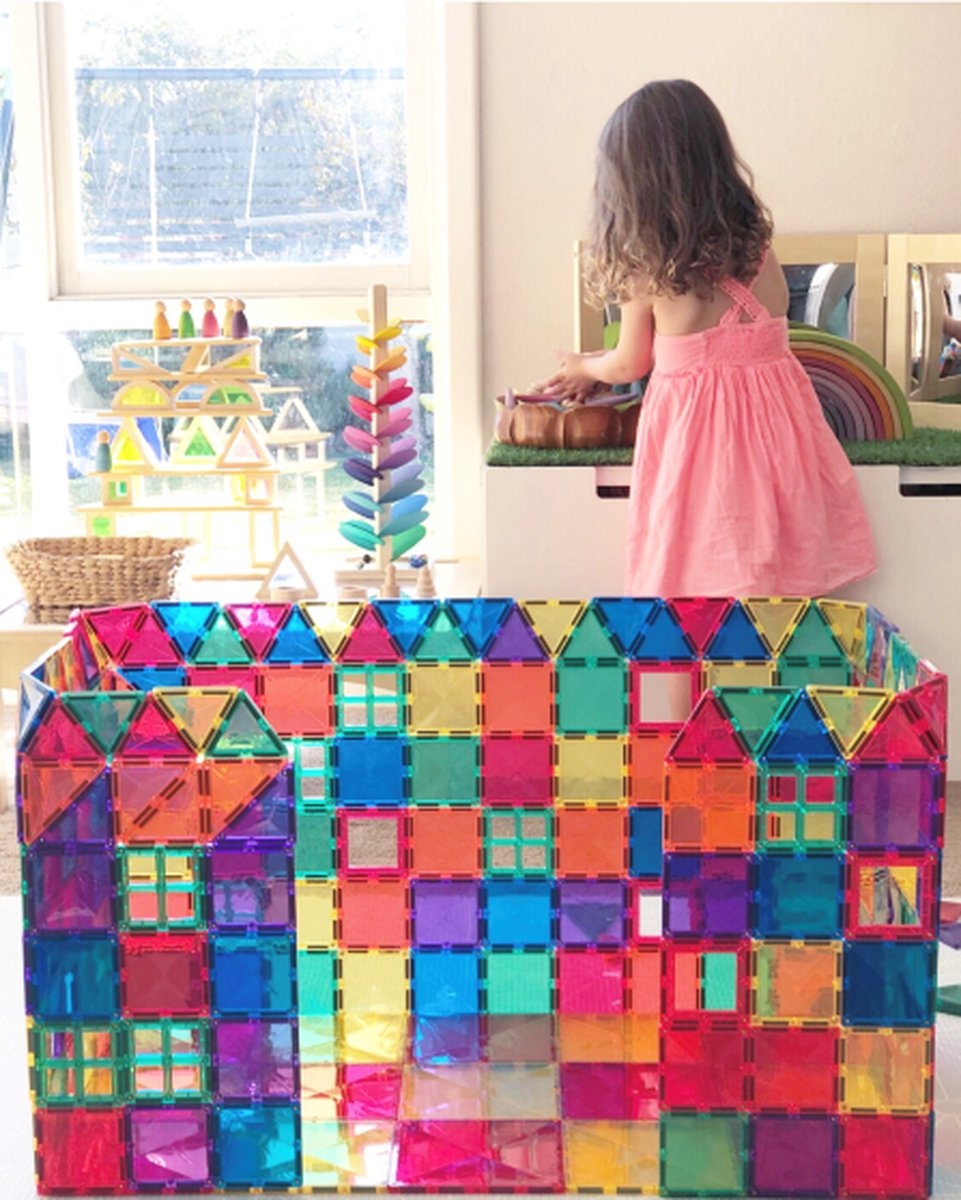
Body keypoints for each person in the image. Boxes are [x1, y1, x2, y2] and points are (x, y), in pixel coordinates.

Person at [538, 80, 877, 599]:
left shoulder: (647, 269)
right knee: (772, 582)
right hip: (776, 434)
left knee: (695, 585)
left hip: (700, 442)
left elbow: (630, 363)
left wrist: (585, 366)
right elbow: (753, 331)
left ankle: (697, 656)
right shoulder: (760, 249)